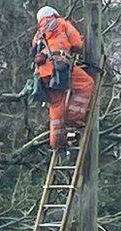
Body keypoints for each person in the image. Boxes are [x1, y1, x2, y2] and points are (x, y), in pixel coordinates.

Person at [31, 6, 95, 149]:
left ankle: (56, 142)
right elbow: (77, 44)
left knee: (56, 104)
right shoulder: (61, 23)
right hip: (58, 67)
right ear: (53, 14)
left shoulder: (38, 34)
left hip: (41, 74)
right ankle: (73, 119)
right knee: (86, 84)